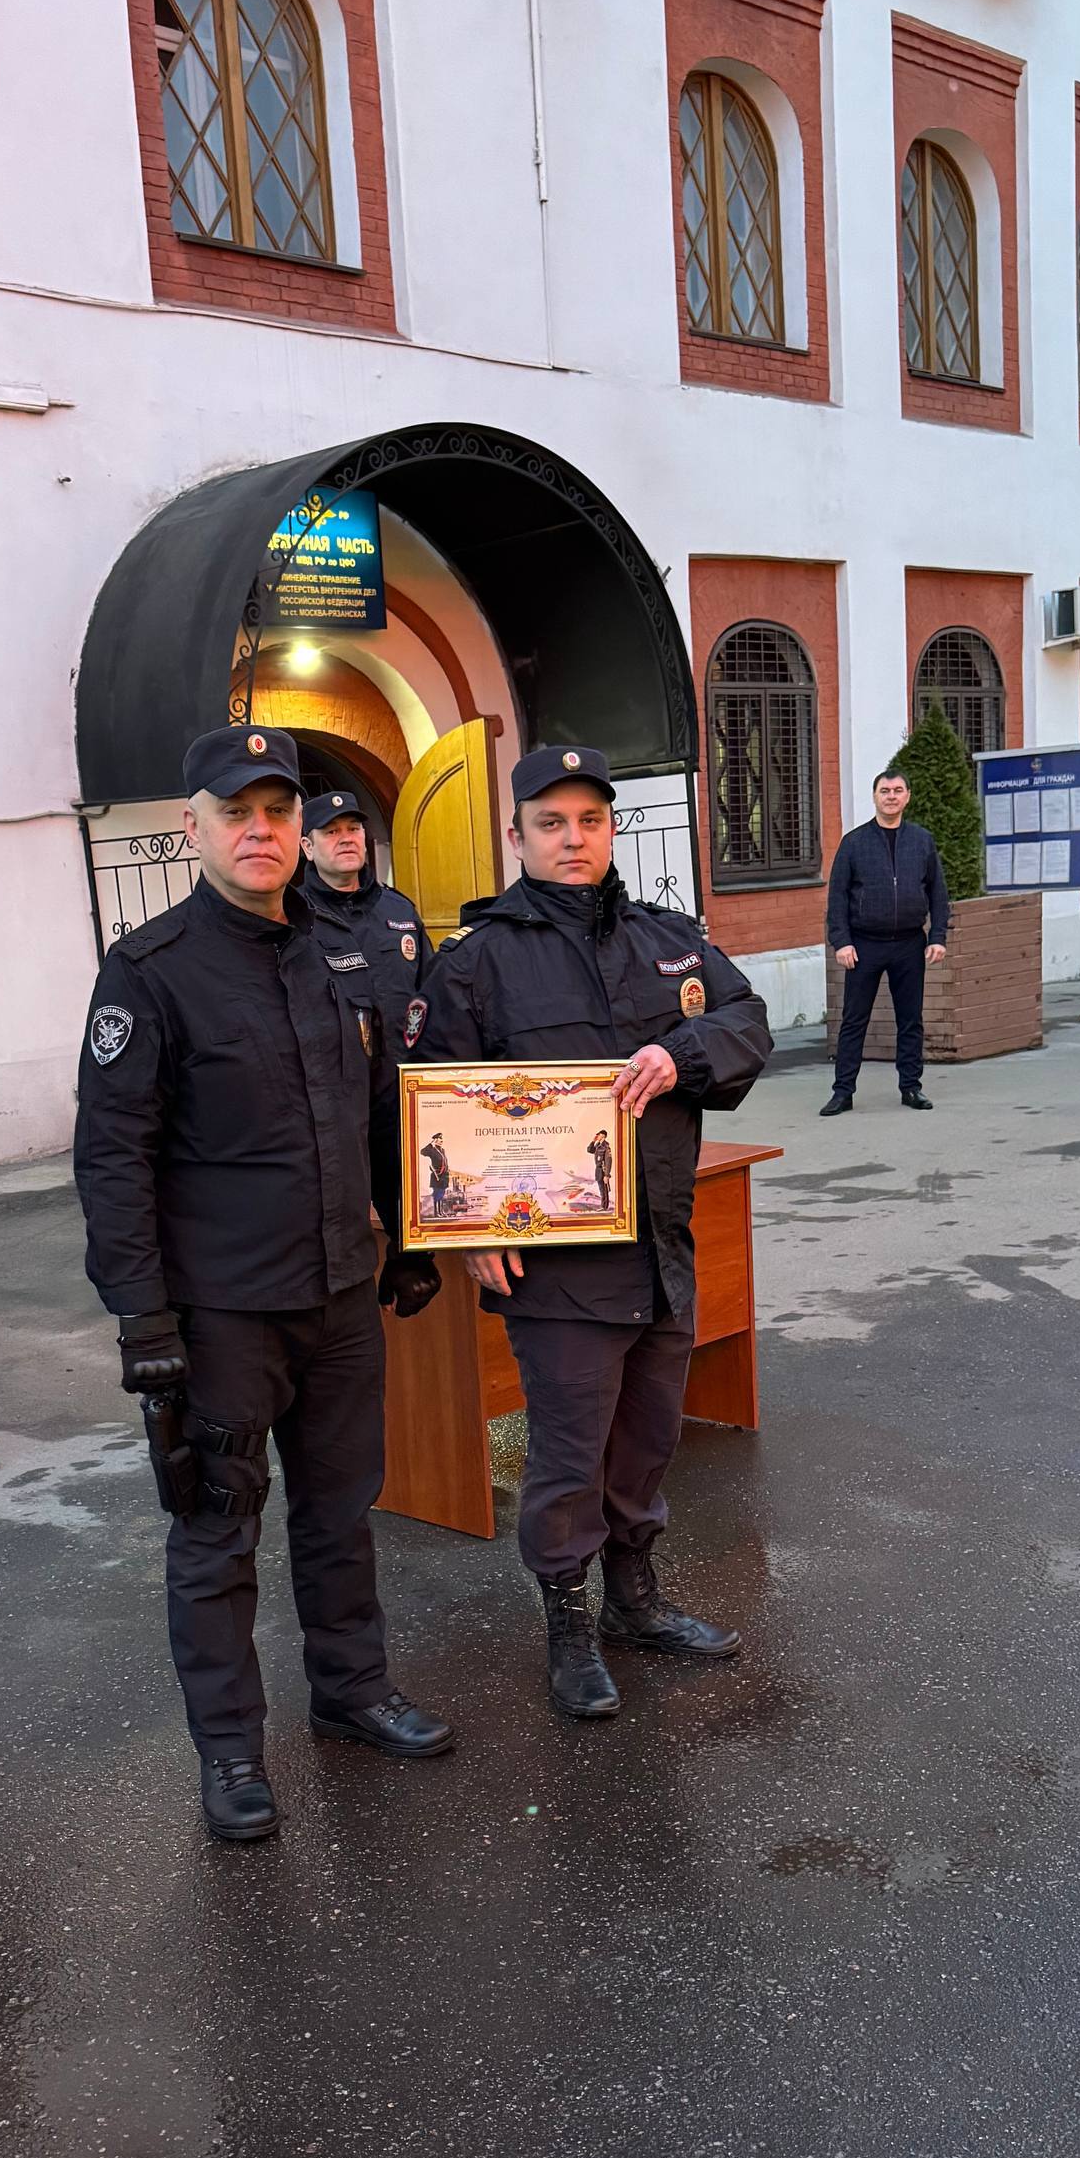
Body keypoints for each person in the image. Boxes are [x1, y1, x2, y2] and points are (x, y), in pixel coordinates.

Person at [73, 725, 451, 1845]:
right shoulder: (148, 973)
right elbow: (114, 1156)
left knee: (341, 1512)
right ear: (193, 826)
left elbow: (380, 1111)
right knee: (217, 1530)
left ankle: (349, 1687)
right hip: (226, 1314)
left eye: (278, 811)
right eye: (237, 811)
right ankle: (231, 1745)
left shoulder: (340, 954)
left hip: (339, 1295)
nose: (261, 830)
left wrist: (418, 1240)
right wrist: (141, 1316)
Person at [416, 743, 774, 1722]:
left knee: (649, 1437)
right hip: (558, 1265)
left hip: (661, 1245)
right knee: (570, 1451)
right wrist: (459, 1232)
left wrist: (681, 1049)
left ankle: (635, 1599)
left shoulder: (668, 937)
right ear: (517, 834)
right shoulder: (476, 961)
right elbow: (430, 1106)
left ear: (608, 828)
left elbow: (750, 1018)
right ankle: (568, 1625)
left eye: (590, 820)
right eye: (551, 822)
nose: (573, 839)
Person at [821, 767, 950, 1116]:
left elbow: (938, 893)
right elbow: (837, 898)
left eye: (897, 790)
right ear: (875, 796)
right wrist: (841, 942)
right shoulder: (854, 843)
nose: (891, 796)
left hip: (909, 943)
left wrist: (937, 936)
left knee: (910, 1019)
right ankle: (843, 1092)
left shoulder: (922, 841)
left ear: (907, 796)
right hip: (864, 945)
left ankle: (911, 1087)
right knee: (854, 1020)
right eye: (884, 791)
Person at [300, 788, 431, 1045]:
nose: (346, 839)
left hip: (402, 1073)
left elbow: (431, 994)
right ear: (308, 847)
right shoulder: (294, 917)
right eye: (331, 832)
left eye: (354, 828)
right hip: (335, 1081)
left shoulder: (399, 910)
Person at [588, 1128, 614, 1214]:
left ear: (603, 1136)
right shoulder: (598, 1145)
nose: (597, 1136)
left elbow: (608, 1161)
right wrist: (593, 1141)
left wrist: (607, 1175)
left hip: (603, 1171)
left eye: (599, 1135)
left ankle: (604, 1207)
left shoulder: (606, 1147)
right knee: (601, 1189)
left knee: (604, 1189)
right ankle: (603, 1206)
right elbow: (589, 1150)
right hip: (598, 1170)